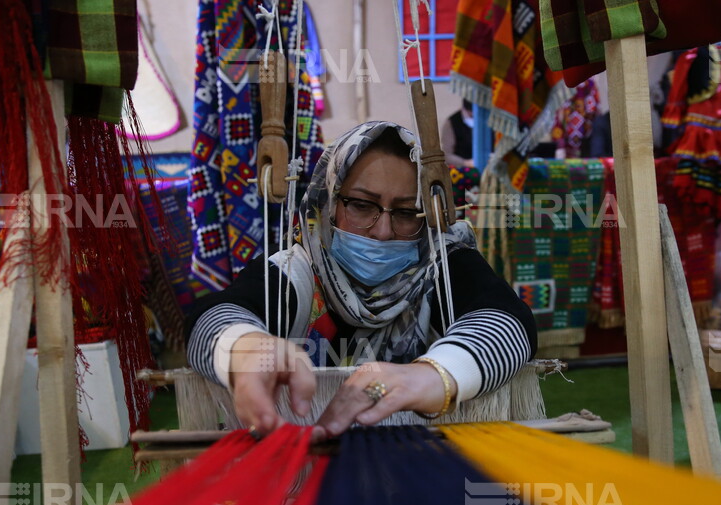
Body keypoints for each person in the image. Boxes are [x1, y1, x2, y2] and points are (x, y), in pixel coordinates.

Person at [187, 121, 538, 441]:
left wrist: (436, 375)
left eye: (406, 212)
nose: (383, 231)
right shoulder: (297, 273)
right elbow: (212, 318)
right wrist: (248, 351)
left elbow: (508, 322)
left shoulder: (441, 263)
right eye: (361, 205)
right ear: (328, 202)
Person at [441, 99, 475, 168]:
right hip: (462, 171)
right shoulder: (451, 123)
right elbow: (447, 155)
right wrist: (466, 163)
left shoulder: (486, 119)